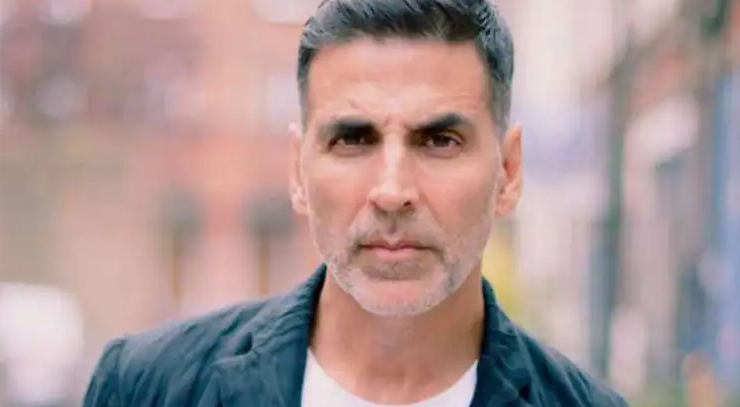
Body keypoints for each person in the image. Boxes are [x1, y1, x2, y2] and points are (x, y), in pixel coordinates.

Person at [83, 0, 629, 406]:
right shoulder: (145, 387)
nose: (392, 190)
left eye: (439, 140)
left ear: (508, 172)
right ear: (298, 171)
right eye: (352, 139)